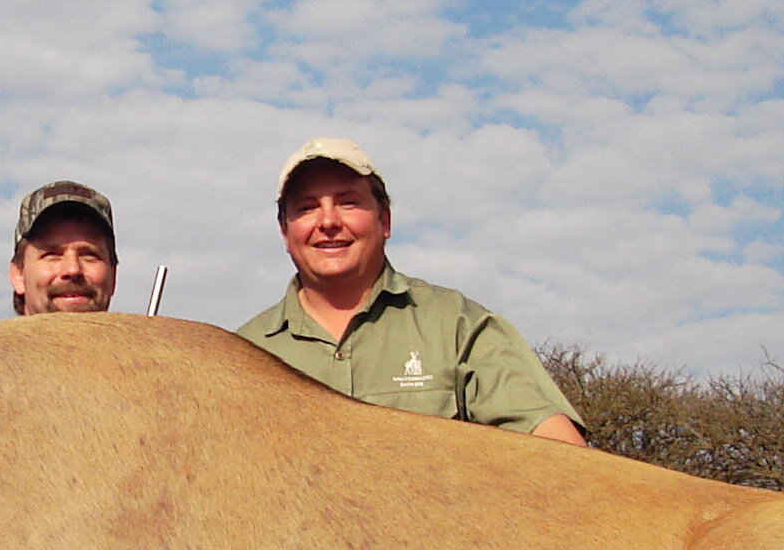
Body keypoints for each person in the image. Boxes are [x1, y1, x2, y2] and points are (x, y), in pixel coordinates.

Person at [238, 138, 586, 444]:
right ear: (286, 233)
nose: (328, 222)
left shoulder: (458, 325)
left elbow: (561, 454)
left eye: (348, 203)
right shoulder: (242, 353)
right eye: (307, 207)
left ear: (385, 221)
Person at [10, 180, 119, 315]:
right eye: (51, 255)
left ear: (113, 276)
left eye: (89, 255)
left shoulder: (147, 336)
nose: (73, 269)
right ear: (18, 275)